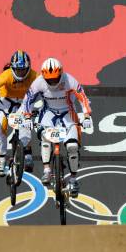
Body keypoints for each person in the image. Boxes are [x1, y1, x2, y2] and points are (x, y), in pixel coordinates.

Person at [22, 57, 92, 198]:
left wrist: (87, 115)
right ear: (43, 76)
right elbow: (27, 100)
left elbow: (83, 98)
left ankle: (73, 179)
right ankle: (47, 170)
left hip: (68, 113)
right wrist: (27, 117)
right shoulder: (39, 82)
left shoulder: (69, 80)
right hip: (48, 113)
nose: (53, 82)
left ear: (61, 74)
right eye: (49, 79)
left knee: (72, 147)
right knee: (45, 138)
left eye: (55, 78)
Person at [0, 50, 38, 176]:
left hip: (24, 103)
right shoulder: (6, 75)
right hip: (5, 102)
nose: (21, 72)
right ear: (12, 68)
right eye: (18, 70)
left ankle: (26, 152)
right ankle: (2, 159)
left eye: (23, 69)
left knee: (26, 123)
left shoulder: (35, 76)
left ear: (29, 67)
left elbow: (46, 90)